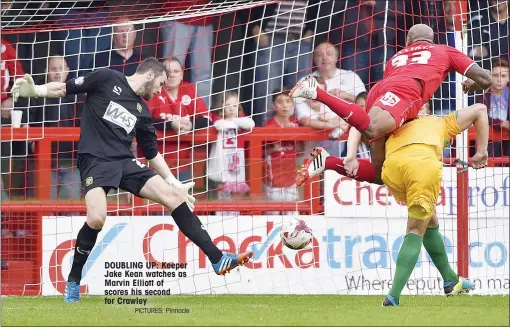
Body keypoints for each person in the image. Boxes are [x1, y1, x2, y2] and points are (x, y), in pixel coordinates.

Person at [11, 57, 253, 303]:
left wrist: (174, 182)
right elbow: (64, 87)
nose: (160, 90)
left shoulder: (142, 111)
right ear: (150, 75)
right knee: (96, 218)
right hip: (94, 160)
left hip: (124, 162)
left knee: (174, 197)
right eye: (160, 83)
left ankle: (217, 258)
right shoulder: (107, 78)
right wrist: (37, 91)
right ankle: (73, 280)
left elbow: (152, 154)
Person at [299, 103, 490, 306]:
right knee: (416, 229)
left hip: (392, 171)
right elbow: (480, 109)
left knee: (429, 220)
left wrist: (351, 155)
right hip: (422, 168)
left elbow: (357, 122)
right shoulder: (439, 122)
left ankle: (451, 280)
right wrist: (482, 151)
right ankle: (393, 296)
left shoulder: (391, 124)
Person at [291, 23, 493, 184]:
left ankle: (327, 161)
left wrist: (351, 154)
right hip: (406, 90)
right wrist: (473, 85)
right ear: (431, 40)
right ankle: (316, 91)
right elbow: (486, 80)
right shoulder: (445, 50)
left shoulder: (396, 57)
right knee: (371, 127)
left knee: (382, 175)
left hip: (382, 89)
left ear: (408, 41)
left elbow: (362, 121)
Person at [207, 91, 254, 216]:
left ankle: (235, 217)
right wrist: (235, 122)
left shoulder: (241, 119)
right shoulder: (217, 118)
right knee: (221, 194)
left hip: (236, 161)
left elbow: (250, 124)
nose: (232, 109)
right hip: (221, 163)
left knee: (235, 196)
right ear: (221, 106)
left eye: (235, 105)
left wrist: (235, 121)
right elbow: (219, 125)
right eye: (228, 105)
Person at [264, 89, 304, 215]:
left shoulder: (296, 124)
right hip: (273, 183)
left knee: (294, 219)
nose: (284, 105)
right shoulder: (269, 126)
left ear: (292, 104)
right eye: (280, 102)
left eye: (288, 101)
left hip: (291, 182)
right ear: (274, 106)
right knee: (273, 219)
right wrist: (272, 150)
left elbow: (300, 152)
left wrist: (295, 135)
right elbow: (259, 153)